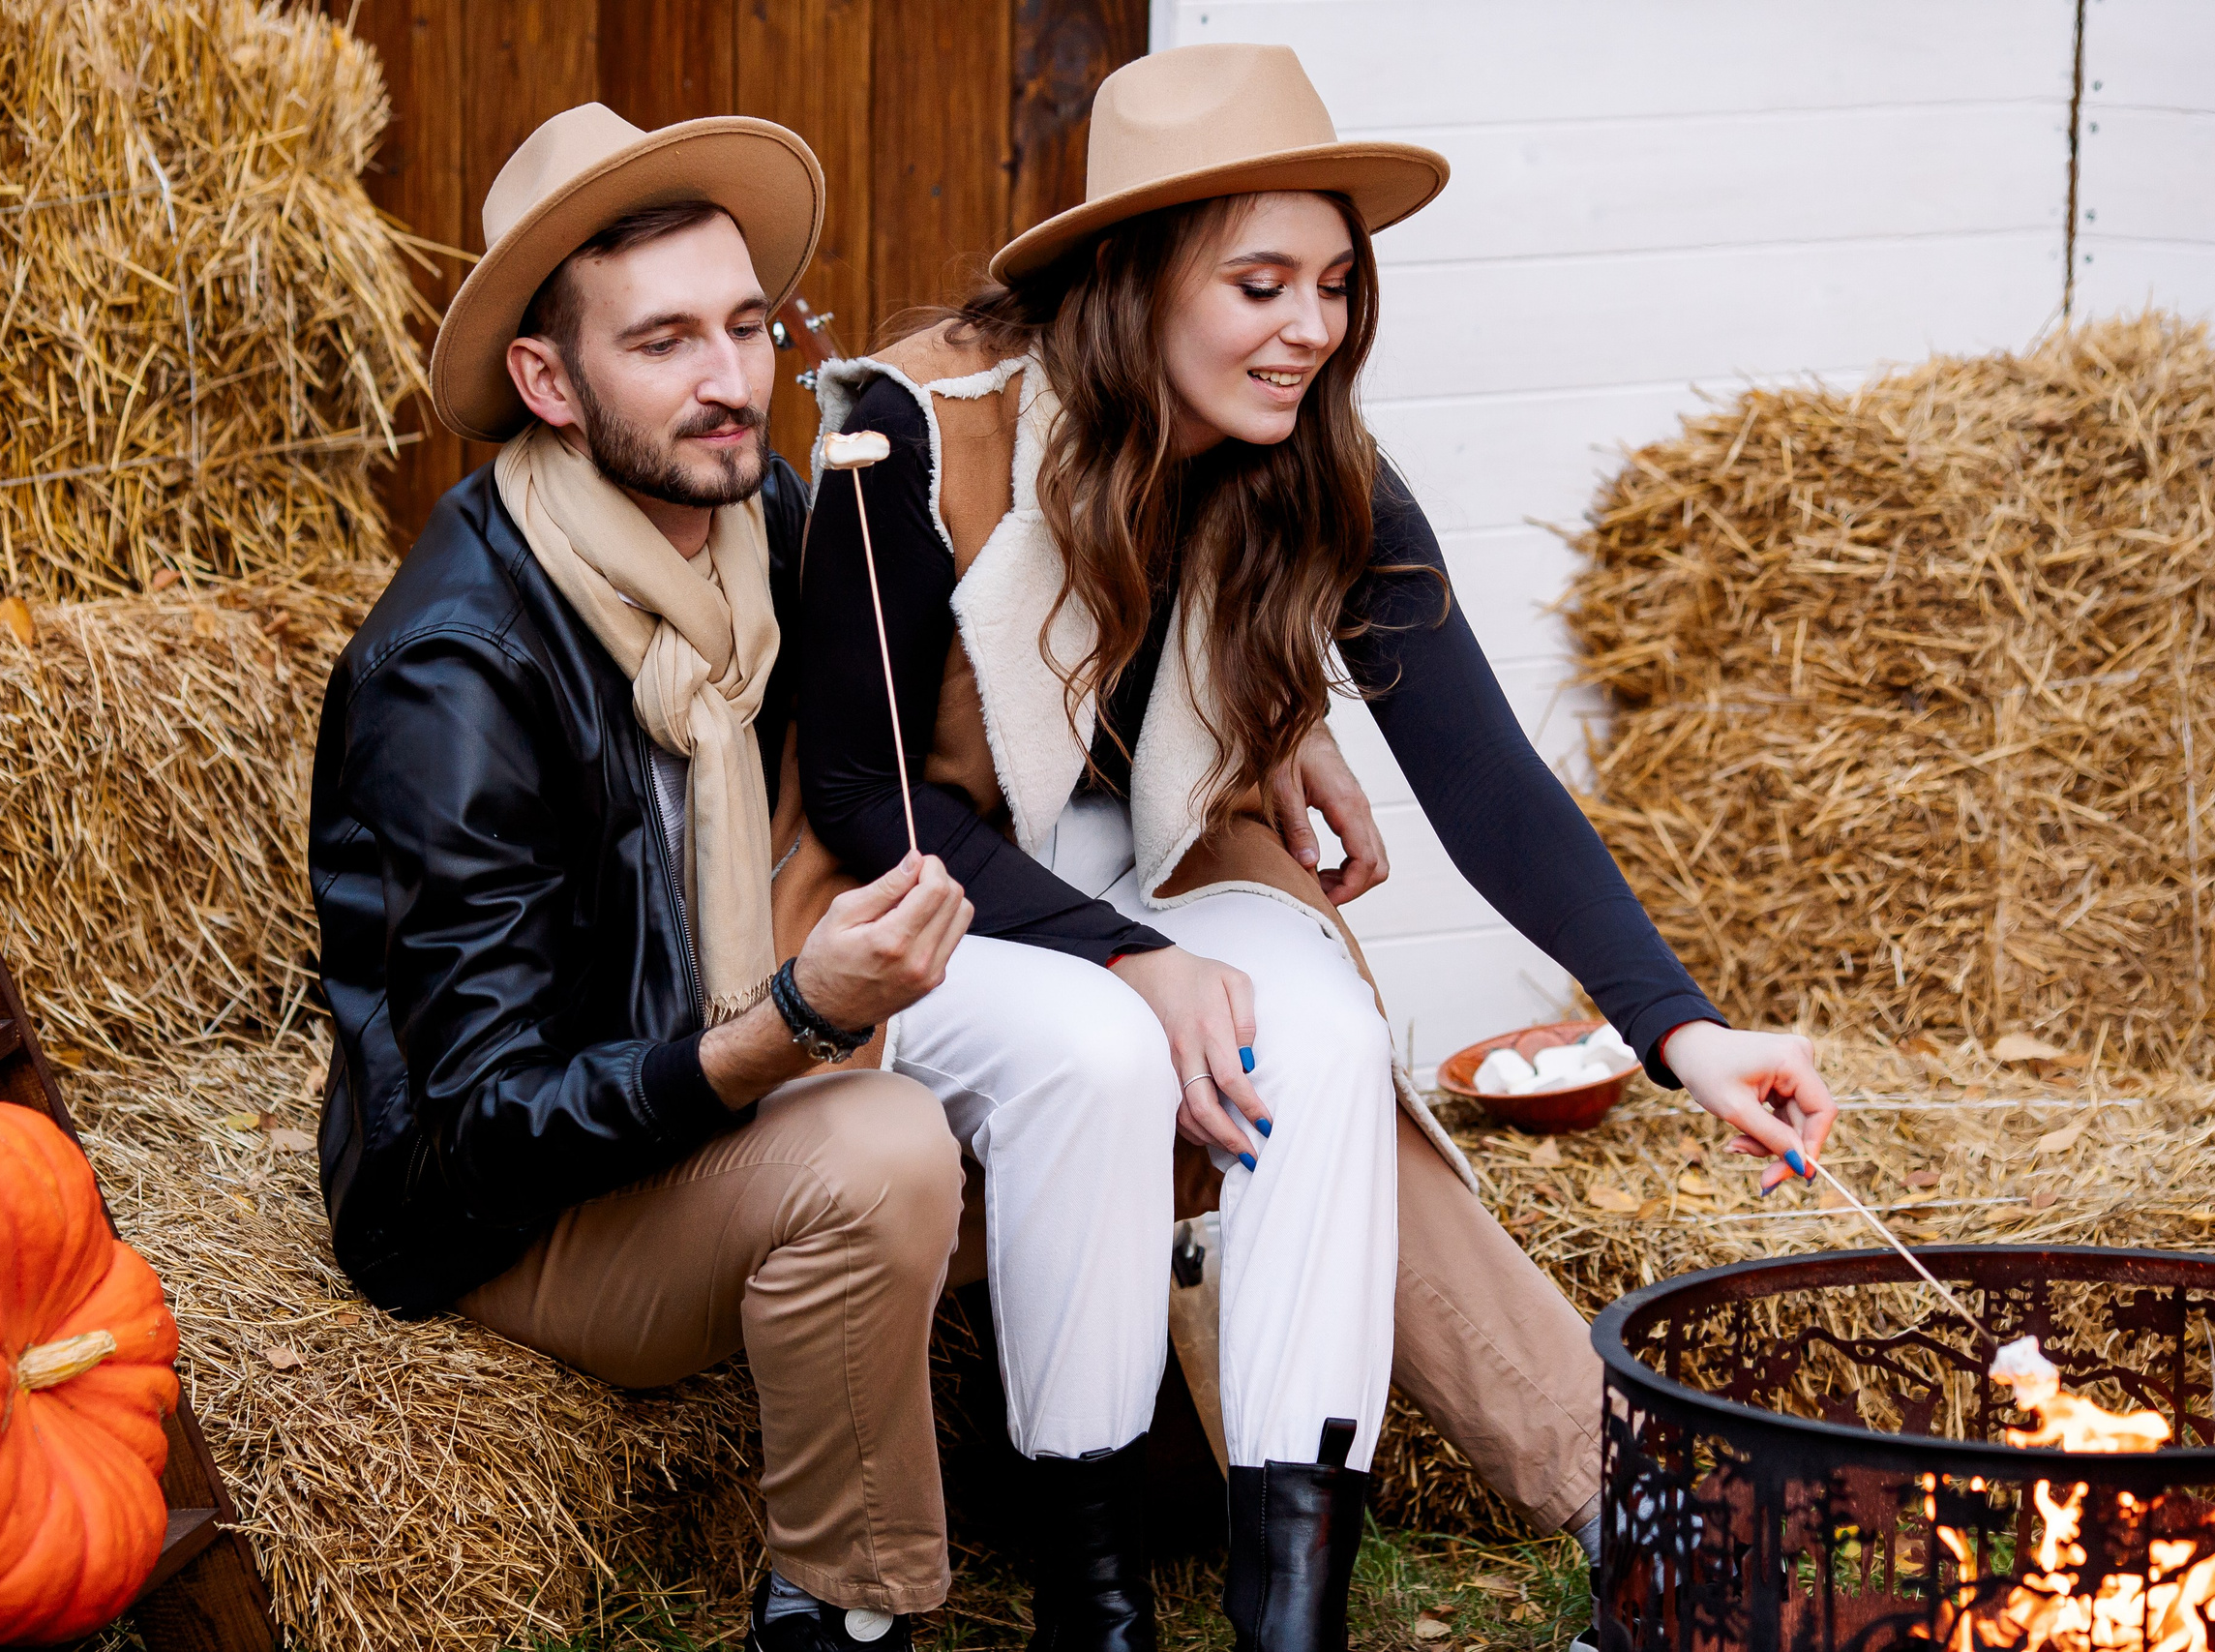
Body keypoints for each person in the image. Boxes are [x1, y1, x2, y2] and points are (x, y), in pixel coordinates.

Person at [780, 44, 1841, 1652]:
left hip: (1142, 850)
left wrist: (1681, 1031)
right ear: (1134, 282)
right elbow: (863, 796)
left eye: (1335, 284)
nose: (1311, 328)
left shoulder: (1315, 464)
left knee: (1332, 1037)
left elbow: (1485, 780)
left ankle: (1295, 1622)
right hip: (921, 890)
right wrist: (1135, 960)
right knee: (1105, 1052)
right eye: (1260, 282)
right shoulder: (916, 435)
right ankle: (1102, 1614)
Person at [306, 105, 982, 1652]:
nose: (731, 381)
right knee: (884, 1147)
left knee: (1084, 1050)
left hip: (693, 1076)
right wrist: (795, 1024)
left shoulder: (764, 528)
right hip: (512, 1220)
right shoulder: (459, 670)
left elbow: (921, 749)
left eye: (746, 326)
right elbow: (485, 1130)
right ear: (548, 382)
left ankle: (1137, 1515)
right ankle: (837, 1606)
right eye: (665, 340)